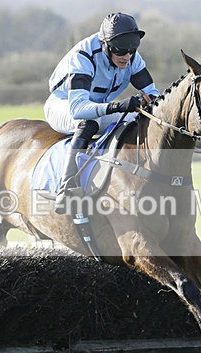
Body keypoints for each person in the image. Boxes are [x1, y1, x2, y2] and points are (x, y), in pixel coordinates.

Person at [45, 12, 161, 213]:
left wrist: (150, 104)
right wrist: (117, 106)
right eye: (121, 51)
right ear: (105, 44)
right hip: (64, 105)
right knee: (88, 123)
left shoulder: (131, 56)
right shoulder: (83, 58)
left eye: (132, 50)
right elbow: (79, 109)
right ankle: (66, 188)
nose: (127, 57)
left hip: (98, 107)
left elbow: (153, 94)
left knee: (142, 120)